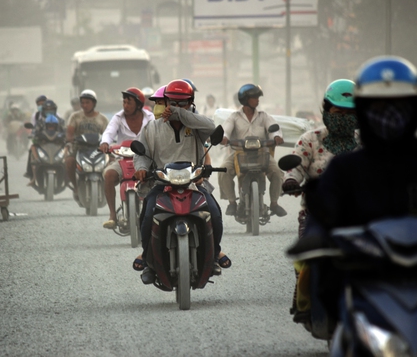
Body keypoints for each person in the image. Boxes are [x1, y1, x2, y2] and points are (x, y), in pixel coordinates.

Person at [295, 56, 417, 323]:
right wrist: (315, 240)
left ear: (416, 108)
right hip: (362, 273)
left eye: (400, 105)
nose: (389, 115)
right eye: (377, 106)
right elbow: (322, 216)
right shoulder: (343, 168)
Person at [133, 79, 230, 284]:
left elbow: (211, 127)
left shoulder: (196, 125)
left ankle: (214, 255)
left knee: (214, 213)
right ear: (165, 102)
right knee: (148, 215)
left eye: (182, 103)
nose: (176, 107)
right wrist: (141, 168)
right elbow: (141, 153)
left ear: (191, 103)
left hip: (194, 183)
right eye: (172, 103)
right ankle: (149, 259)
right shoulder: (151, 128)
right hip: (162, 184)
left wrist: (180, 114)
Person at [281, 79, 359, 319]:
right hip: (318, 215)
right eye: (338, 111)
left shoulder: (368, 141)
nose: (343, 117)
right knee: (305, 260)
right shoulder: (310, 140)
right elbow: (295, 166)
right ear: (326, 110)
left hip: (361, 214)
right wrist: (291, 181)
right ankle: (304, 301)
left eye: (349, 112)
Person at [218, 84, 287, 217]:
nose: (258, 100)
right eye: (254, 97)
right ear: (245, 99)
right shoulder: (234, 117)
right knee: (223, 170)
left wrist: (277, 136)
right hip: (239, 153)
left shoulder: (263, 116)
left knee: (277, 172)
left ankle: (274, 203)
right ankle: (232, 202)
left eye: (257, 97)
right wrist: (224, 138)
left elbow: (273, 127)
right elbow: (225, 129)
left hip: (262, 154)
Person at [99, 87, 154, 229]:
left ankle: (157, 213)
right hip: (122, 159)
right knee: (109, 175)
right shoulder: (118, 117)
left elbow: (156, 133)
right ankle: (112, 215)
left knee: (159, 177)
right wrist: (105, 143)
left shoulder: (149, 117)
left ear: (138, 104)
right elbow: (109, 132)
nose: (125, 106)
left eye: (129, 103)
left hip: (145, 158)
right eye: (124, 102)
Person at [65, 89, 109, 199]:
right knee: (69, 161)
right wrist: (70, 139)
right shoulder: (75, 117)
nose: (85, 105)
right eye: (82, 103)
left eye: (87, 102)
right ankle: (75, 187)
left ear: (94, 103)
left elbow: (107, 135)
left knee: (112, 162)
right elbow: (69, 132)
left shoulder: (102, 119)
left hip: (98, 149)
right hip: (79, 148)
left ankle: (108, 187)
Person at [27, 100, 65, 185]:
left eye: (51, 110)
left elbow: (66, 131)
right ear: (43, 111)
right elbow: (34, 132)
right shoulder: (40, 122)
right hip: (43, 145)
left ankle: (69, 178)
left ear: (55, 110)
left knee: (69, 154)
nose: (49, 112)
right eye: (47, 110)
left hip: (58, 145)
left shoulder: (61, 121)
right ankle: (32, 175)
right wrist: (33, 136)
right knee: (32, 149)